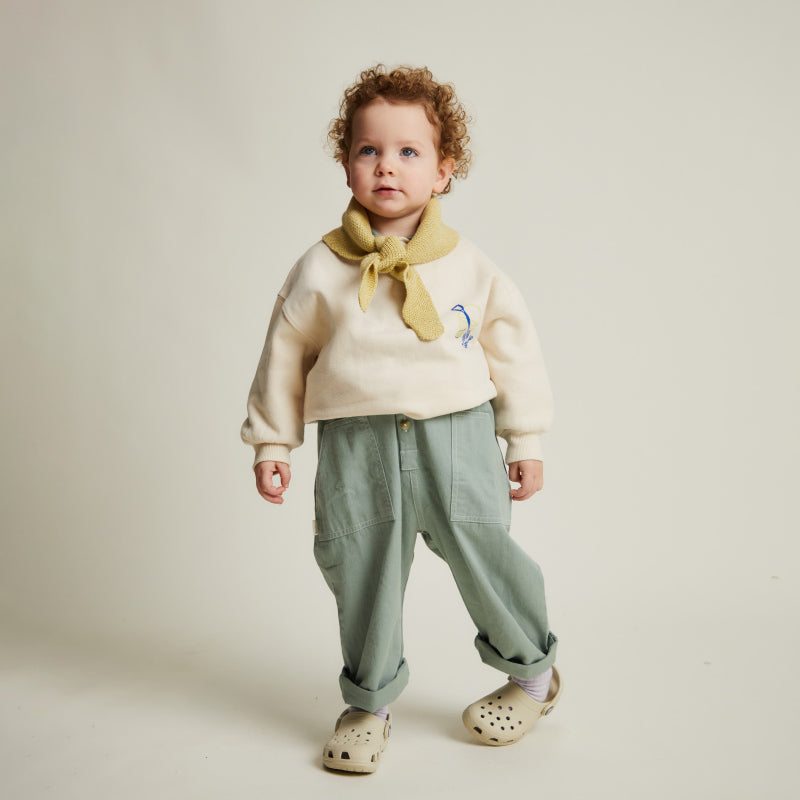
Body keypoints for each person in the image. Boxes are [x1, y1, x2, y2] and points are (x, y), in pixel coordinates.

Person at [241, 64, 562, 774]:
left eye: (409, 151)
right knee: (362, 567)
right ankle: (370, 703)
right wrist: (272, 444)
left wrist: (525, 436)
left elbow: (512, 349)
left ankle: (534, 676)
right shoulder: (321, 268)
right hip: (356, 443)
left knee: (485, 554)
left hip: (458, 433)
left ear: (444, 171)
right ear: (346, 165)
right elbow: (284, 356)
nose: (387, 165)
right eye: (369, 150)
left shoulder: (470, 266)